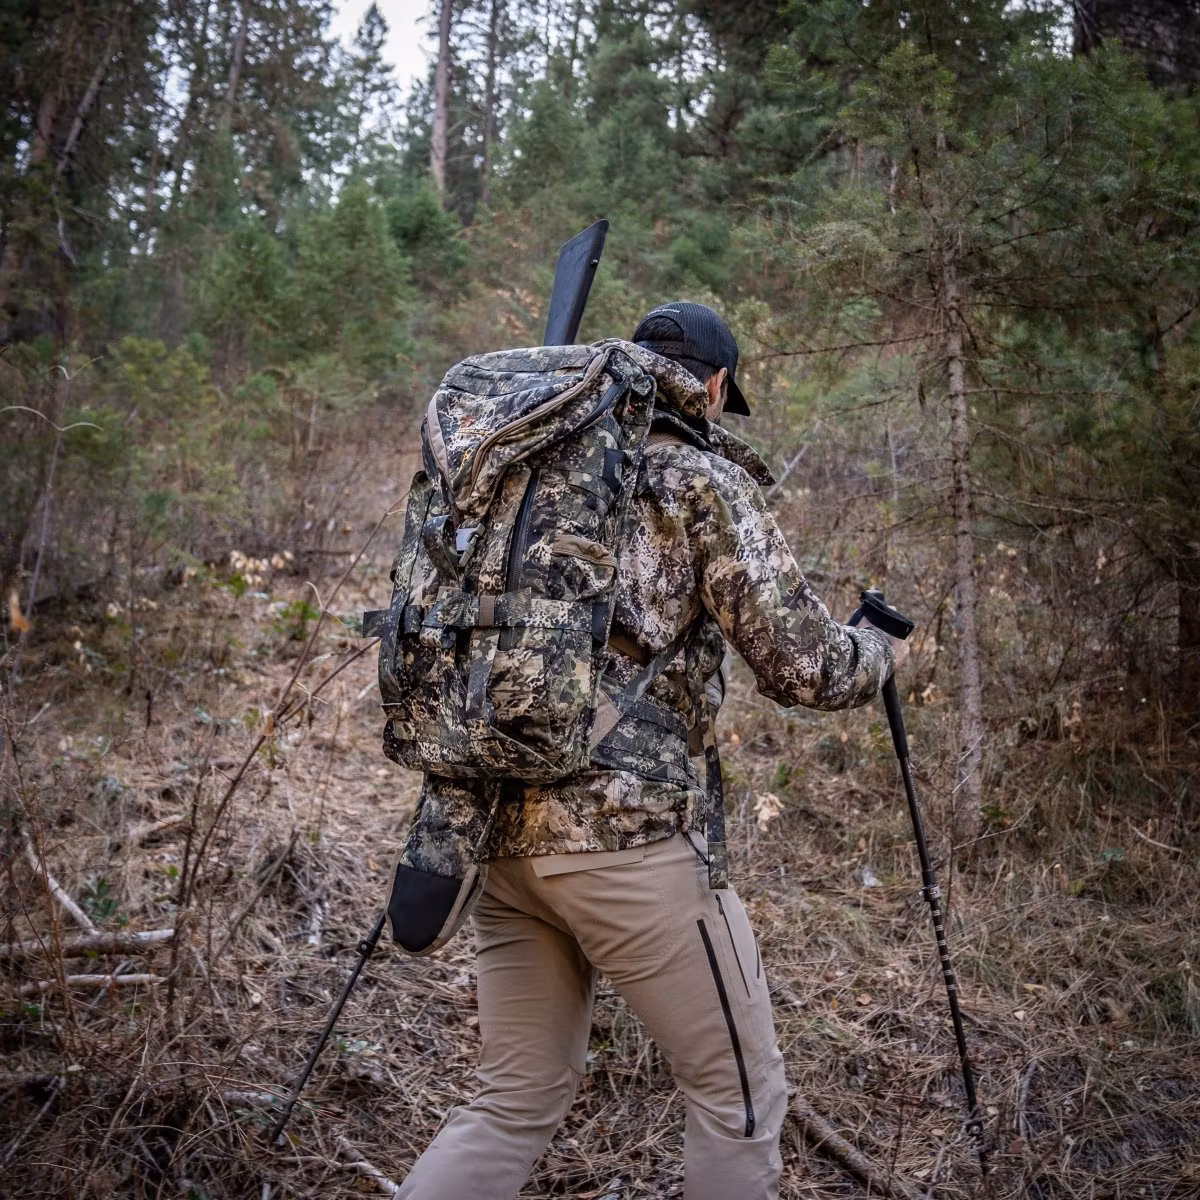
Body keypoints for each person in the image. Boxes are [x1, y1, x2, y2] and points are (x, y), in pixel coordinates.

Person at [395, 302, 896, 1199]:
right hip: (627, 846)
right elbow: (806, 667)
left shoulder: (521, 467)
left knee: (511, 1101)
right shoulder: (695, 479)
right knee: (741, 1100)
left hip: (491, 836)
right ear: (712, 386)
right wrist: (879, 651)